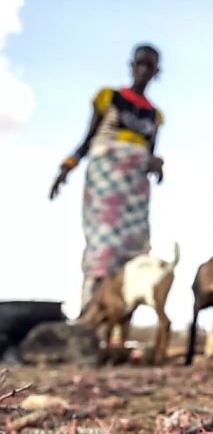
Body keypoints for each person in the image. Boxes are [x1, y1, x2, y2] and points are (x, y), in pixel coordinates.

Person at [49, 44, 165, 307]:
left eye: (151, 66)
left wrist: (155, 165)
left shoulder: (155, 116)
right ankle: (90, 308)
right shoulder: (109, 97)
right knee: (103, 244)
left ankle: (116, 317)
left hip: (135, 190)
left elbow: (150, 153)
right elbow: (87, 139)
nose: (144, 70)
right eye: (140, 64)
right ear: (132, 65)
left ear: (157, 72)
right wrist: (66, 168)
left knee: (134, 251)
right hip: (106, 182)